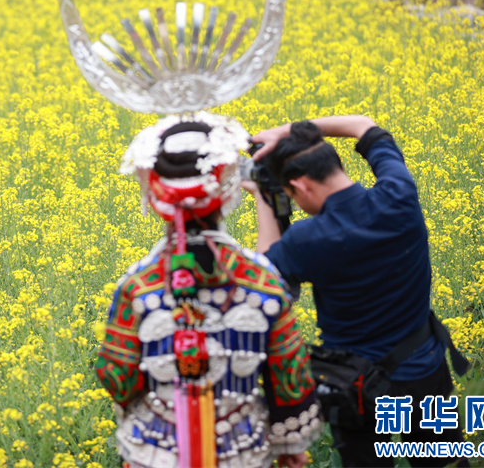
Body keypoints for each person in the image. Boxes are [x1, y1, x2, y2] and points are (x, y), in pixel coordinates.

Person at [95, 113, 322, 468]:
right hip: (242, 453)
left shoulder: (138, 284)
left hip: (156, 455)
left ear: (156, 195)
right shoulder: (262, 279)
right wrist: (289, 445)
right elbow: (290, 380)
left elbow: (117, 375)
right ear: (227, 189)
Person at [242, 115, 468, 467]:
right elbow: (363, 124)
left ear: (300, 187)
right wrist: (288, 131)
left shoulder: (308, 240)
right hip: (423, 372)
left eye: (291, 196)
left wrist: (264, 198)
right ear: (338, 163)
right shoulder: (399, 193)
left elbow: (263, 284)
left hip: (354, 387)